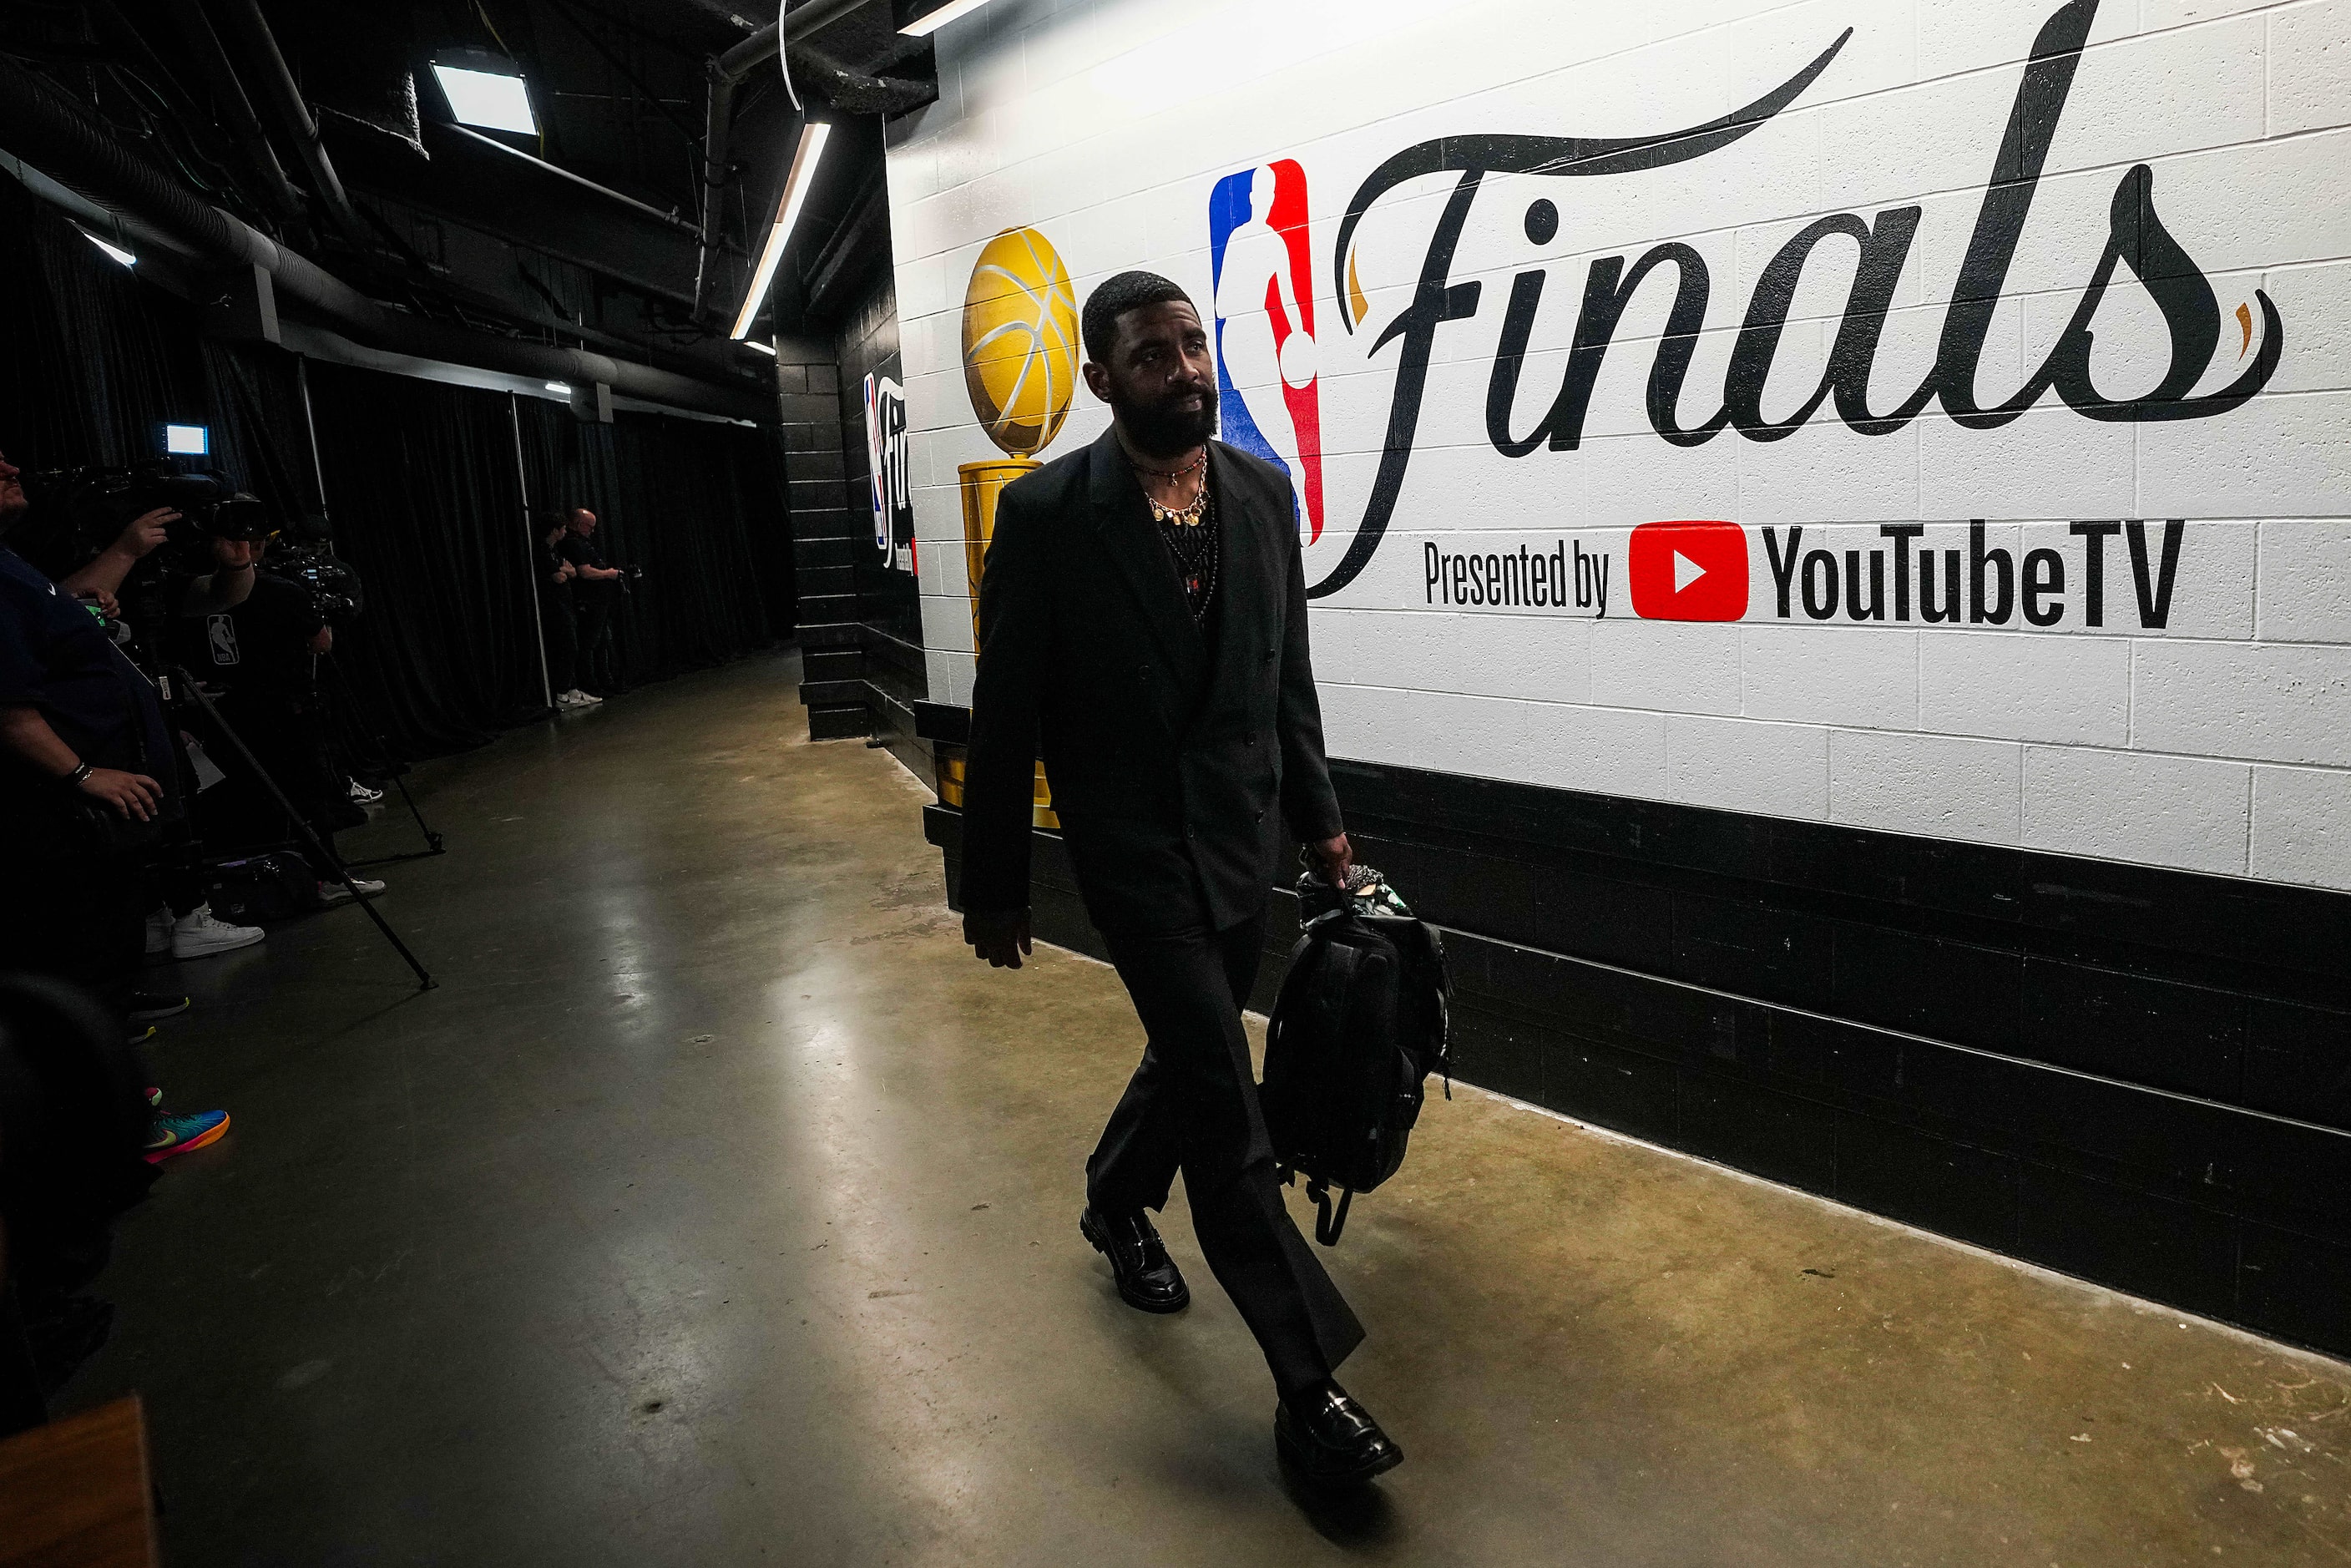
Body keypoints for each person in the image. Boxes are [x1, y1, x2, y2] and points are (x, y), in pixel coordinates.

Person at [958, 272, 1399, 1489]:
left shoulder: (1263, 494)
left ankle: (1111, 1198)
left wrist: (1322, 829)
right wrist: (992, 884)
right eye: (1152, 356)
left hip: (1240, 845)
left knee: (1188, 1045)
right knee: (1224, 1099)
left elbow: (1285, 685)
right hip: (1136, 859)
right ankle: (1307, 1386)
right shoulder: (1051, 517)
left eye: (1195, 346)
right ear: (1101, 380)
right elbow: (1008, 716)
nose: (1185, 370)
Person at [0, 446, 229, 1162]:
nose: (14, 468)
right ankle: (120, 1131)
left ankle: (105, 1121)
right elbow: (6, 708)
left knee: (99, 966)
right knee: (80, 971)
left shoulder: (14, 567)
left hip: (67, 819)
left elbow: (57, 614)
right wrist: (84, 774)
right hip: (52, 821)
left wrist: (121, 557)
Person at [557, 507, 623, 697]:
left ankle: (604, 681)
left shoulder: (581, 543)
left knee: (602, 642)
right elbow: (584, 571)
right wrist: (608, 574)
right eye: (590, 527)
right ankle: (591, 684)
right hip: (589, 602)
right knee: (590, 644)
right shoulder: (574, 544)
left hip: (597, 601)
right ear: (578, 524)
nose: (592, 531)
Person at [536, 516, 593, 710]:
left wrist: (565, 570)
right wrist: (564, 570)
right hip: (555, 609)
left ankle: (572, 688)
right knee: (567, 648)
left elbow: (573, 572)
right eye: (563, 529)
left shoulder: (555, 551)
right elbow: (560, 576)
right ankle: (562, 692)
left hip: (566, 605)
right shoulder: (542, 551)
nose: (566, 532)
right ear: (554, 531)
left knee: (573, 646)